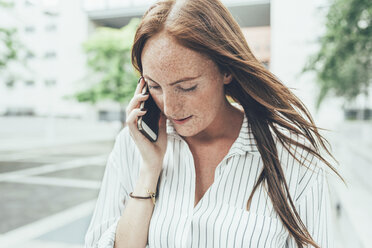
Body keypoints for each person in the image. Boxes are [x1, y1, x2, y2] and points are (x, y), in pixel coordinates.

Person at [85, 0, 342, 247]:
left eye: (187, 87)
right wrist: (149, 171)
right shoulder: (133, 145)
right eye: (154, 86)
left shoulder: (292, 154)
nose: (170, 107)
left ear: (226, 71)